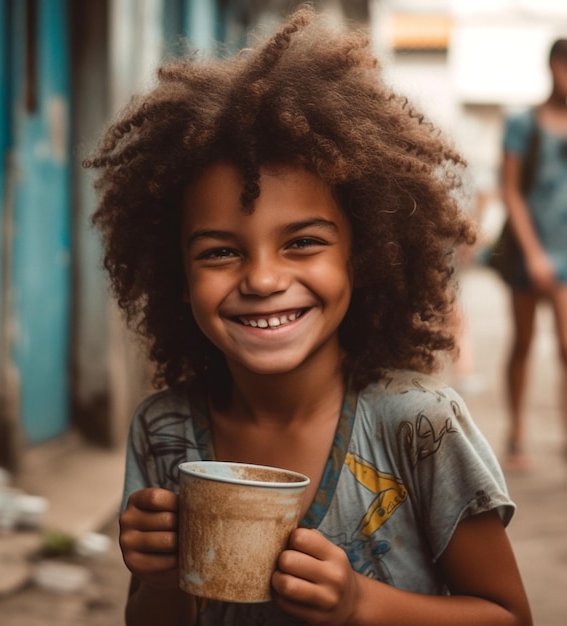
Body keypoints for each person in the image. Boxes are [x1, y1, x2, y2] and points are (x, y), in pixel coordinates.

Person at [85, 7, 532, 626]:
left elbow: (509, 615)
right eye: (219, 252)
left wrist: (360, 603)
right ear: (177, 279)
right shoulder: (166, 434)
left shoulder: (417, 428)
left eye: (303, 242)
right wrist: (158, 578)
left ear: (365, 255)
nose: (264, 279)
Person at [500, 38, 567, 471]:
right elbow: (510, 191)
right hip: (530, 254)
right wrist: (534, 254)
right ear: (554, 68)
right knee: (524, 343)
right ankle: (517, 430)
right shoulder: (523, 124)